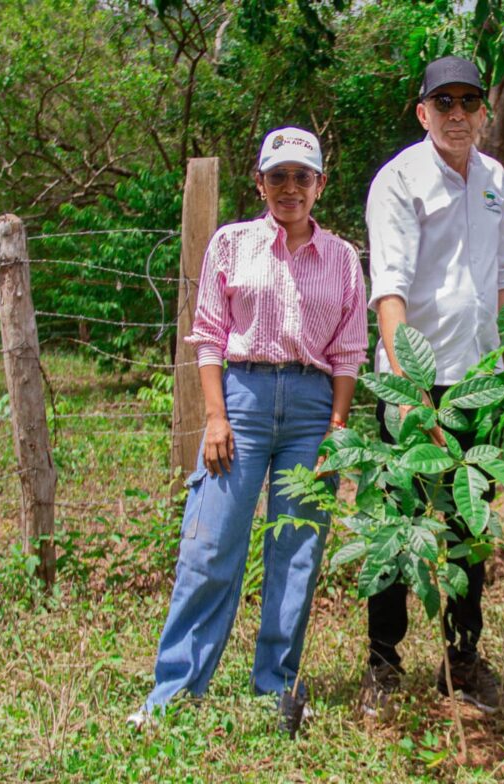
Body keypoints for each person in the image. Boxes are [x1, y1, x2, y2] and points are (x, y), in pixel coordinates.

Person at [128, 127, 368, 737]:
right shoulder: (231, 244)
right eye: (279, 176)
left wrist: (338, 428)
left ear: (320, 185)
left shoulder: (341, 257)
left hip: (314, 408)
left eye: (303, 177)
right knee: (210, 546)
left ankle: (276, 688)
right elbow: (209, 333)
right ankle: (175, 693)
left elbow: (348, 352)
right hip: (241, 398)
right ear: (260, 183)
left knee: (297, 551)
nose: (291, 188)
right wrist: (215, 416)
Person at [361, 55, 504, 715]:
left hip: (479, 383)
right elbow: (390, 295)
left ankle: (461, 660)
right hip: (415, 385)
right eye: (445, 103)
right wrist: (412, 399)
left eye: (469, 101)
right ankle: (383, 666)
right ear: (423, 112)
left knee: (469, 524)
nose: (458, 114)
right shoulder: (399, 182)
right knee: (399, 525)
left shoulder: (493, 178)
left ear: (483, 111)